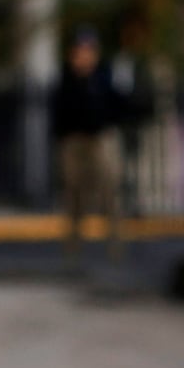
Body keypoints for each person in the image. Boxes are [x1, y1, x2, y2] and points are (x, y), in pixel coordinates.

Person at [52, 25, 130, 266]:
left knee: (110, 192)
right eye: (80, 50)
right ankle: (72, 248)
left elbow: (116, 106)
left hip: (100, 139)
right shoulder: (66, 79)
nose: (84, 55)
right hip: (74, 141)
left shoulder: (104, 76)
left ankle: (116, 245)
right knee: (74, 195)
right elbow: (59, 113)